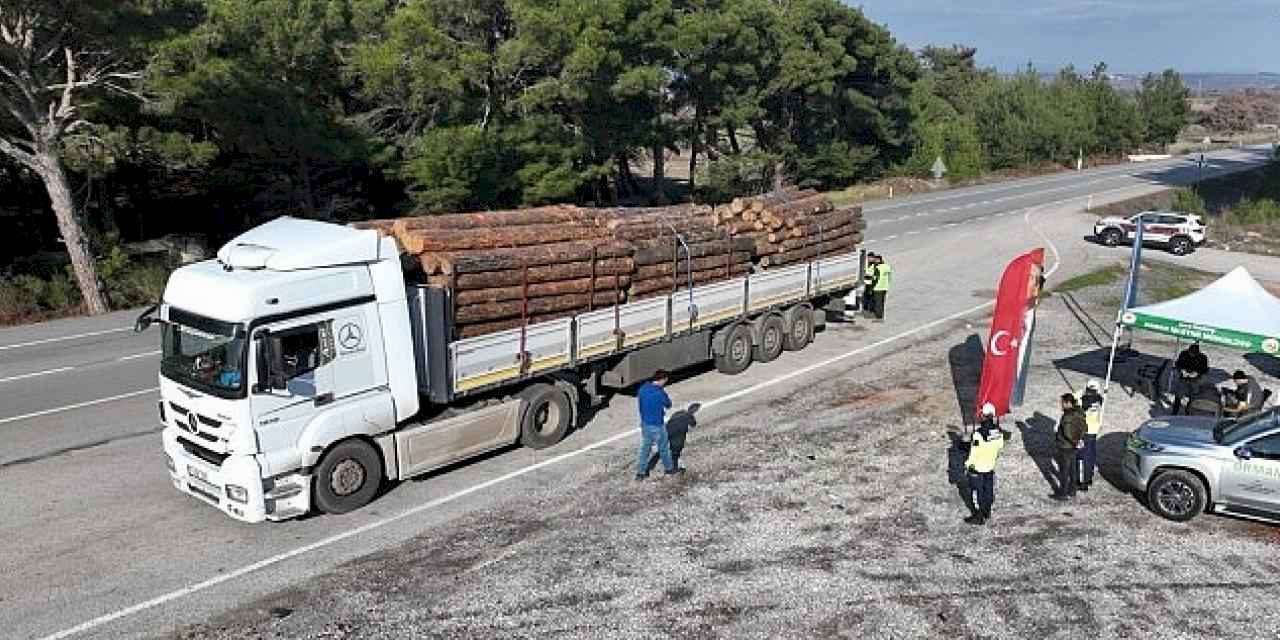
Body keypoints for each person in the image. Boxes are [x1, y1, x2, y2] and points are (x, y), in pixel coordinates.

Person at [635, 370, 683, 480]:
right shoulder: (660, 393)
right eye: (665, 381)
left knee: (645, 449)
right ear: (662, 380)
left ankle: (640, 473)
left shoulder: (643, 388)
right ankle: (669, 470)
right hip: (657, 425)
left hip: (645, 424)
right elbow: (668, 404)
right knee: (664, 448)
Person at [964, 403, 1006, 525]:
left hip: (977, 467)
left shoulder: (978, 434)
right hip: (990, 465)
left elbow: (974, 452)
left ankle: (979, 516)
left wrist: (968, 465)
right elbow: (1000, 446)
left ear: (982, 415)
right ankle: (987, 512)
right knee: (988, 490)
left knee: (978, 492)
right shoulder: (998, 431)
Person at [1053, 393, 1086, 501]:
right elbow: (1085, 427)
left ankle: (1063, 493)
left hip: (1066, 446)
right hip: (1074, 446)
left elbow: (1067, 433)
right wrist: (1079, 439)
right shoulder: (1080, 412)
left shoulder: (1067, 416)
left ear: (1068, 403)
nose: (1061, 405)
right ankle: (1072, 490)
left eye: (1062, 403)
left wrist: (1074, 441)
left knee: (1064, 471)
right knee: (1073, 469)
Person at [1078, 380, 1104, 491]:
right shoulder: (1099, 398)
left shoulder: (1086, 400)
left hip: (1085, 432)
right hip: (1093, 431)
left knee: (1083, 457)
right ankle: (1089, 478)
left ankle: (1083, 482)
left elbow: (1081, 405)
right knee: (1091, 455)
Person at [1171, 343, 1209, 415]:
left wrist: (1197, 373)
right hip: (1183, 378)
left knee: (1193, 397)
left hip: (1195, 379)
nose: (1192, 355)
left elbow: (1205, 369)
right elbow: (1178, 364)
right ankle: (1174, 412)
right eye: (1191, 353)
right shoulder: (1184, 354)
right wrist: (1182, 370)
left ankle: (1188, 413)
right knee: (1178, 395)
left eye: (1194, 354)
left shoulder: (1203, 357)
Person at [870, 254, 891, 322]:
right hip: (884, 287)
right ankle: (881, 315)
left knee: (877, 303)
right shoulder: (886, 267)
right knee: (882, 302)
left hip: (877, 288)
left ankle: (879, 318)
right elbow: (889, 276)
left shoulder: (874, 268)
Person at [861, 253, 878, 317]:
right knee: (865, 298)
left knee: (872, 298)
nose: (869, 259)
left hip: (872, 284)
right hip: (866, 284)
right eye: (868, 258)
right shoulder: (866, 265)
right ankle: (865, 310)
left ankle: (872, 311)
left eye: (871, 258)